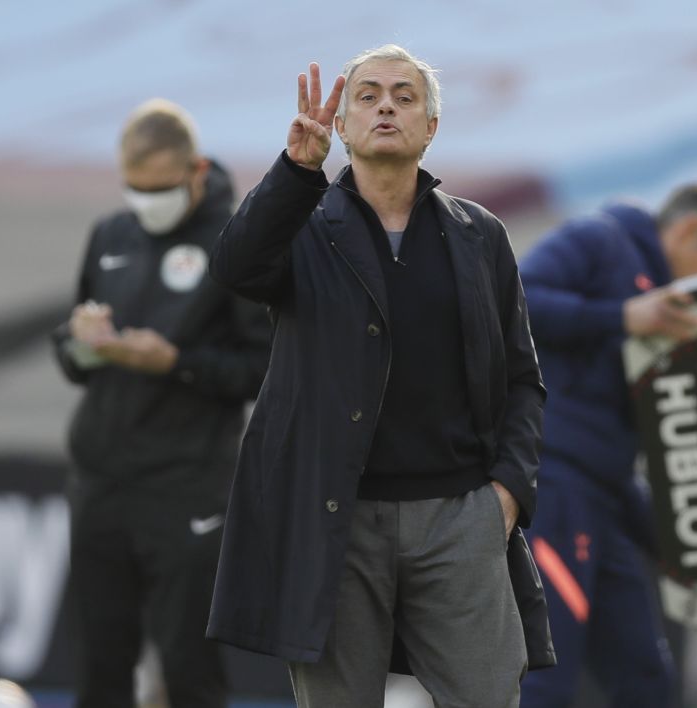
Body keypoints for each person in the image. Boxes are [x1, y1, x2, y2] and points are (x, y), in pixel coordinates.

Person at [205, 45, 554, 708]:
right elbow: (235, 270)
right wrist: (291, 174)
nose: (386, 105)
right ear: (341, 124)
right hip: (336, 519)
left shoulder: (481, 235)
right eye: (366, 95)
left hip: (460, 516)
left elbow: (522, 379)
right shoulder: (302, 228)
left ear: (430, 127)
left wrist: (504, 497)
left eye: (404, 95)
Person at [50, 98, 271, 708]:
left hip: (188, 484)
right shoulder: (110, 233)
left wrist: (176, 362)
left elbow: (265, 370)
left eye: (159, 189)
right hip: (100, 479)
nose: (145, 202)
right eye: (132, 188)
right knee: (99, 660)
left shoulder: (240, 243)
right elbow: (70, 353)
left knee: (187, 666)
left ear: (196, 171)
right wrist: (84, 345)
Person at [517, 185, 697, 708]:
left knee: (647, 680)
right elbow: (515, 297)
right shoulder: (600, 239)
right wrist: (622, 317)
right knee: (546, 677)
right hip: (555, 488)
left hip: (607, 497)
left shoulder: (668, 313)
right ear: (688, 231)